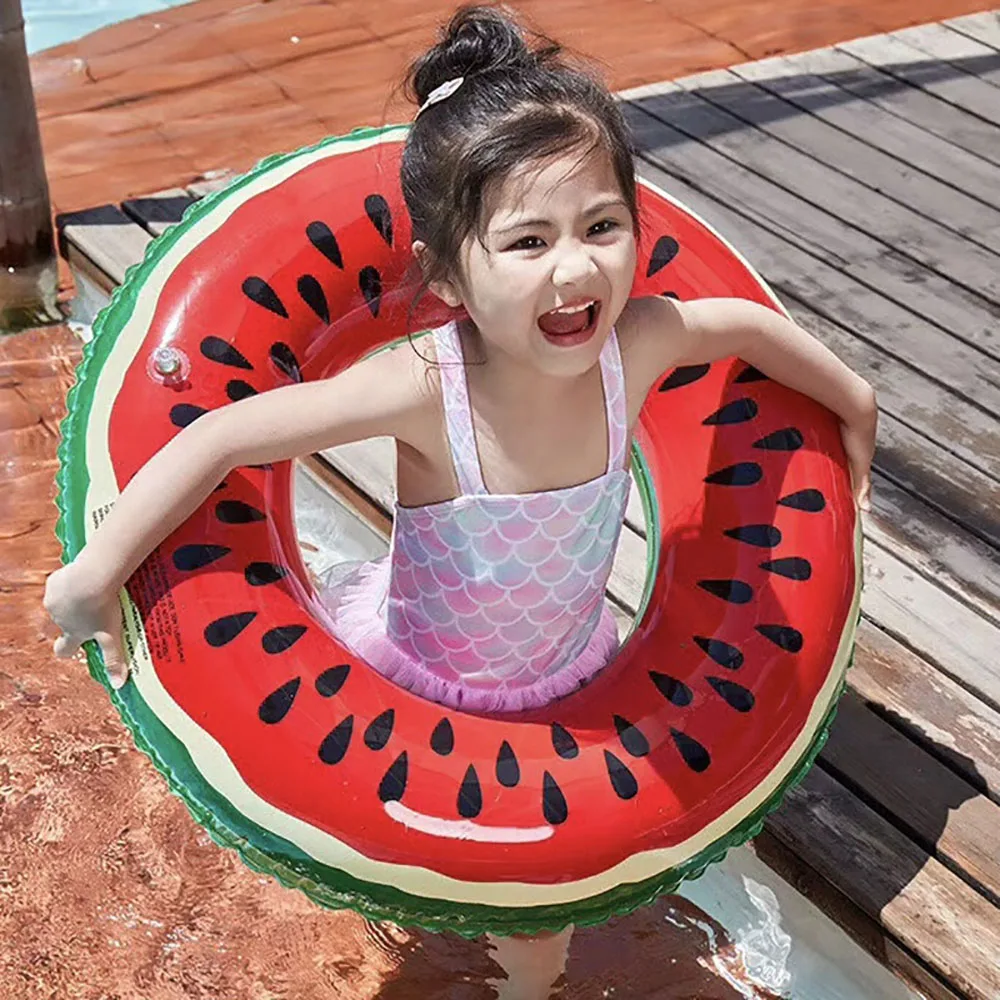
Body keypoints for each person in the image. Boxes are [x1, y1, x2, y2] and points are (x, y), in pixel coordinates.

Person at [43, 5, 877, 995]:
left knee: (538, 941)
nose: (574, 266)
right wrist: (95, 576)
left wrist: (854, 409)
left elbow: (743, 325)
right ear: (447, 275)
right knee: (376, 878)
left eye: (601, 226)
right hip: (416, 684)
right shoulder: (422, 387)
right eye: (528, 241)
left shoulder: (639, 344)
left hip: (571, 682)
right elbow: (224, 431)